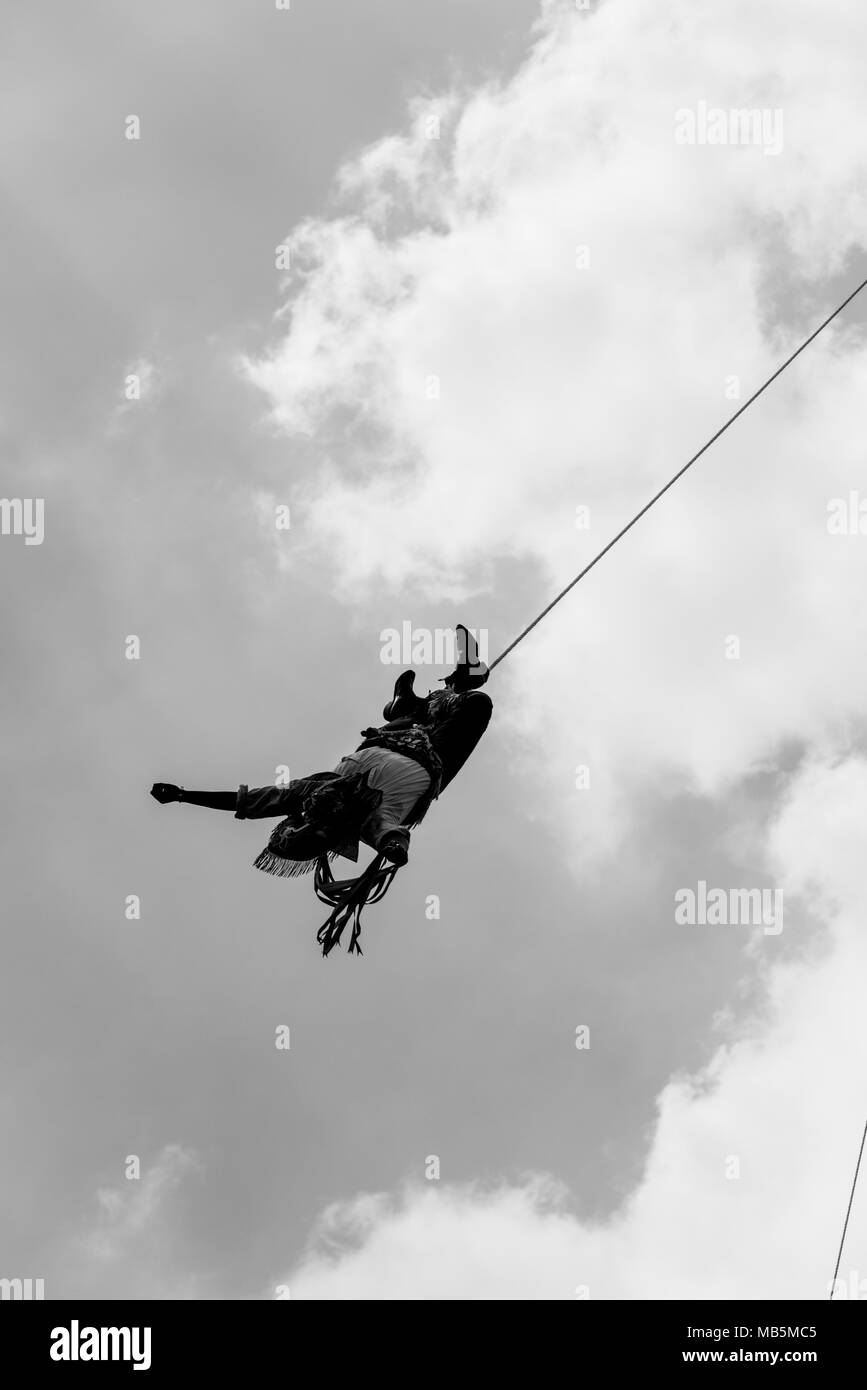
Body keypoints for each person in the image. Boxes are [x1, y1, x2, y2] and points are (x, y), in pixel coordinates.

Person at [150, 627, 492, 876]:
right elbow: (391, 837)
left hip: (392, 744)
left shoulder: (308, 796)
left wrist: (184, 795)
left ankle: (411, 706)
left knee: (461, 709)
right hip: (424, 760)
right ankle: (443, 693)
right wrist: (394, 850)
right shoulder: (358, 821)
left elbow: (247, 802)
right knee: (476, 704)